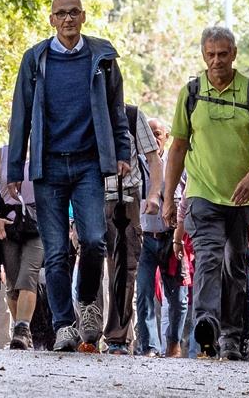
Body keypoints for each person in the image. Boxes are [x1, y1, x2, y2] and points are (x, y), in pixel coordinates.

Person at [7, 0, 132, 353]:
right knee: (57, 250)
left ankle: (87, 299)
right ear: (51, 20)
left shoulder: (102, 58)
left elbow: (116, 111)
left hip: (89, 165)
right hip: (48, 168)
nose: (67, 19)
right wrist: (16, 168)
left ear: (84, 16)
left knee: (94, 240)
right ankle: (64, 325)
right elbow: (21, 117)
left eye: (74, 12)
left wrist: (121, 153)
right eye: (61, 14)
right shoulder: (35, 59)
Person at [163, 26, 249, 360]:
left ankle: (231, 333)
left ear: (234, 53)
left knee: (235, 265)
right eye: (210, 54)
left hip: (243, 198)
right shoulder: (192, 92)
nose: (217, 61)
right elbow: (178, 148)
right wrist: (169, 197)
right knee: (209, 257)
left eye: (223, 54)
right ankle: (207, 323)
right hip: (202, 193)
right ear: (203, 55)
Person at [102, 103, 162, 355]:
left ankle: (117, 338)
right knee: (91, 263)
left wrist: (154, 195)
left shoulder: (132, 115)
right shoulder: (79, 109)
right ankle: (87, 332)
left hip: (126, 197)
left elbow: (153, 158)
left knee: (124, 268)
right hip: (90, 196)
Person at [0, 139, 43, 351]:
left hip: (37, 223)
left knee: (29, 276)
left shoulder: (43, 151)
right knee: (13, 282)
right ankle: (22, 334)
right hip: (9, 223)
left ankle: (22, 329)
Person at [135, 117, 186, 358]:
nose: (154, 138)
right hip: (144, 238)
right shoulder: (137, 163)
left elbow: (187, 197)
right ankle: (149, 347)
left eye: (158, 133)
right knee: (144, 293)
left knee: (177, 296)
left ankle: (173, 343)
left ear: (166, 138)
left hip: (171, 238)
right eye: (150, 133)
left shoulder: (177, 164)